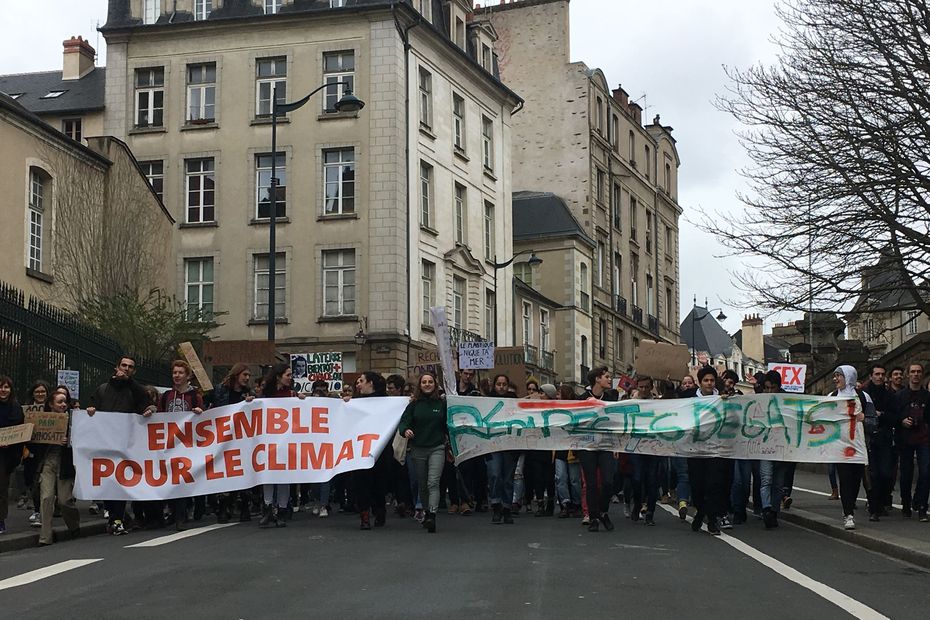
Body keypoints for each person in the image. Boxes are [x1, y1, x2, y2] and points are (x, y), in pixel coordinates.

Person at [87, 356, 156, 535]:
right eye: (123, 365)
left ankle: (117, 519)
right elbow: (92, 408)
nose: (126, 369)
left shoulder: (136, 391)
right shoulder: (103, 389)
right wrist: (91, 411)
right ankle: (116, 516)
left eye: (130, 367)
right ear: (116, 367)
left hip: (126, 445)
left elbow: (145, 404)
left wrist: (148, 411)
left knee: (120, 481)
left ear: (134, 372)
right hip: (104, 443)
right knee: (108, 481)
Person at [156, 361, 205, 530]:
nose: (177, 375)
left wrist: (199, 413)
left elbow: (204, 419)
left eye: (180, 373)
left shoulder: (194, 396)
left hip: (187, 444)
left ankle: (181, 516)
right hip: (169, 444)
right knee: (171, 478)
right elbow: (159, 416)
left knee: (183, 479)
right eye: (174, 372)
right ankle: (174, 511)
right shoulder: (166, 396)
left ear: (188, 376)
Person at [398, 373, 447, 533]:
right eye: (424, 382)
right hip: (418, 448)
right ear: (420, 385)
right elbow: (403, 422)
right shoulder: (413, 404)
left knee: (433, 482)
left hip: (437, 448)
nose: (427, 384)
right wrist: (406, 430)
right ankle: (426, 511)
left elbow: (449, 424)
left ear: (435, 384)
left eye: (430, 382)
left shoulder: (442, 404)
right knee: (423, 484)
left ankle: (432, 515)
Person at [257, 363, 303, 527]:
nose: (290, 378)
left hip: (286, 440)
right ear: (278, 376)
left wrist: (303, 401)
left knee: (284, 476)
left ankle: (282, 509)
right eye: (288, 375)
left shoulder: (292, 394)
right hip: (268, 440)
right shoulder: (265, 395)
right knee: (268, 475)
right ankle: (268, 508)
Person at [688, 366, 731, 535]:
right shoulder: (690, 399)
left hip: (715, 449)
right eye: (705, 380)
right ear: (700, 382)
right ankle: (700, 510)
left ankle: (712, 520)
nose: (709, 383)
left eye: (712, 380)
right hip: (695, 450)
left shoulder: (722, 399)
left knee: (714, 484)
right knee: (697, 485)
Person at [211, 363, 256, 522]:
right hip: (224, 439)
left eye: (249, 375)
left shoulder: (249, 393)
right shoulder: (220, 390)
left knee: (243, 472)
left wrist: (252, 403)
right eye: (245, 375)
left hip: (243, 439)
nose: (247, 378)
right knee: (224, 472)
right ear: (236, 375)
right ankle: (223, 507)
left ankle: (244, 506)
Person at [35, 391, 80, 545]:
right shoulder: (41, 420)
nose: (63, 405)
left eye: (65, 402)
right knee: (46, 498)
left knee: (64, 500)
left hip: (65, 463)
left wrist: (69, 441)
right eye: (59, 402)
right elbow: (33, 442)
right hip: (48, 462)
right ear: (51, 404)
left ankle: (74, 526)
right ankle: (45, 536)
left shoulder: (73, 420)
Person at [829, 365, 869, 530]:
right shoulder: (831, 397)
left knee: (856, 480)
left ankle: (850, 506)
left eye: (839, 375)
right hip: (840, 446)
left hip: (858, 445)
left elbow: (874, 419)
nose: (835, 379)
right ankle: (848, 514)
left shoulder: (862, 396)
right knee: (845, 479)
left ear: (849, 377)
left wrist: (864, 418)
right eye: (835, 376)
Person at [579, 367, 618, 532]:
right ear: (597, 379)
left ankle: (603, 511)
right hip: (587, 446)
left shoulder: (611, 398)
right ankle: (594, 517)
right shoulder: (582, 399)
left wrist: (617, 445)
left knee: (608, 481)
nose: (610, 380)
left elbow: (617, 421)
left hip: (606, 445)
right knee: (592, 483)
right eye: (607, 377)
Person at [352, 371, 392, 530]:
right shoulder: (355, 402)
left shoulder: (387, 402)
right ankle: (364, 514)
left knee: (379, 481)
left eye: (361, 381)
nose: (358, 384)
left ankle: (379, 509)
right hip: (360, 448)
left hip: (380, 448)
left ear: (371, 384)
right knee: (361, 481)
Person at [894, 362, 930, 521]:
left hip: (924, 438)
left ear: (922, 375)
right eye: (913, 372)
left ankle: (922, 505)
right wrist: (902, 420)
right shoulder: (900, 396)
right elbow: (893, 416)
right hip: (906, 438)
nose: (916, 375)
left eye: (919, 372)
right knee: (906, 474)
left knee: (926, 472)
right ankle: (906, 503)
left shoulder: (927, 396)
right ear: (908, 375)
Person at [862, 363, 895, 521]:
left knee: (886, 473)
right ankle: (874, 508)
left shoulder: (889, 396)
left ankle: (881, 502)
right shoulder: (864, 394)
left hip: (884, 438)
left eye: (882, 374)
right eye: (877, 374)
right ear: (871, 376)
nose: (880, 377)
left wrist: (880, 415)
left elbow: (894, 417)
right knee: (872, 474)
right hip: (869, 438)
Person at [486, 374, 519, 525]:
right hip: (493, 443)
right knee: (494, 474)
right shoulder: (486, 401)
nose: (501, 387)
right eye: (498, 384)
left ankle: (506, 508)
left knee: (508, 477)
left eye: (504, 384)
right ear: (494, 386)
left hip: (510, 444)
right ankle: (496, 505)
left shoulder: (514, 400)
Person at [631, 375, 660, 526]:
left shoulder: (657, 403)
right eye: (641, 387)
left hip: (653, 446)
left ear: (651, 387)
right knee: (637, 478)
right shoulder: (631, 403)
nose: (643, 389)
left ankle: (650, 512)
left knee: (652, 480)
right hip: (636, 445)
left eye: (646, 387)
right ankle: (637, 503)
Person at [0, 376, 25, 534]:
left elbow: (18, 428)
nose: (3, 390)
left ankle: (0, 520)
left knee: (1, 487)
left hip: (6, 455)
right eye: (1, 387)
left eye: (6, 387)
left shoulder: (15, 407)